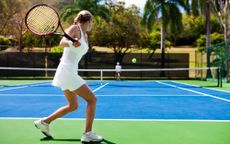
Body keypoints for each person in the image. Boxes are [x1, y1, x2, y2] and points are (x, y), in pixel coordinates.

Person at [34, 10, 103, 143]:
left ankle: (44, 122)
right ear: (88, 21)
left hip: (69, 71)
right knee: (92, 100)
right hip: (67, 71)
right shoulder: (75, 28)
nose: (92, 24)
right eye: (92, 22)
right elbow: (62, 42)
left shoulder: (85, 35)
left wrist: (76, 43)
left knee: (73, 106)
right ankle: (87, 133)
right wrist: (71, 43)